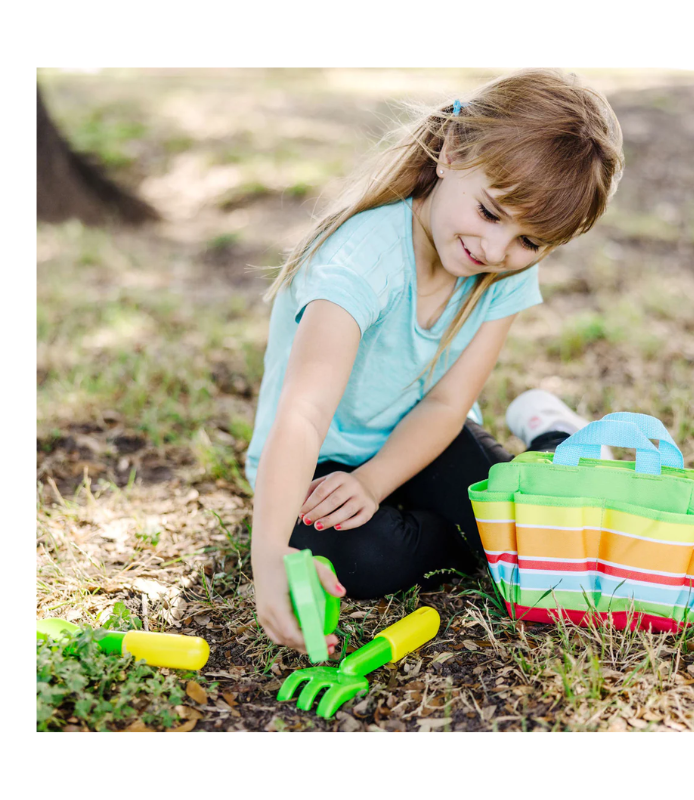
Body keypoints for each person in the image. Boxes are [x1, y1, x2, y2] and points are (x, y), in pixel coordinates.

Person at [245, 69, 624, 656]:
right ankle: (472, 536)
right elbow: (304, 411)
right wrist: (270, 559)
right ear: (451, 151)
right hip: (318, 455)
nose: (497, 252)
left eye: (530, 243)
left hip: (427, 439)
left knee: (539, 533)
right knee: (363, 559)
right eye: (492, 214)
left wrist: (374, 482)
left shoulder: (500, 272)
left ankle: (553, 437)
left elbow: (447, 404)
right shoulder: (360, 260)